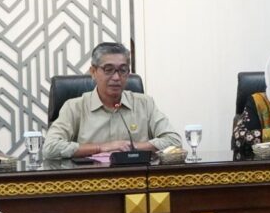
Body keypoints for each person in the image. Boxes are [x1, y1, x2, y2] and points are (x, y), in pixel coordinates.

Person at [42, 42, 182, 159]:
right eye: (108, 70)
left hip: (136, 178)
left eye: (122, 70)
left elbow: (174, 141)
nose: (116, 77)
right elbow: (50, 147)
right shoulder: (74, 107)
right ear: (93, 72)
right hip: (90, 180)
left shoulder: (145, 104)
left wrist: (131, 147)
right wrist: (101, 147)